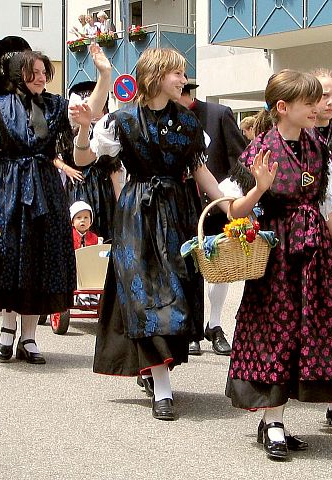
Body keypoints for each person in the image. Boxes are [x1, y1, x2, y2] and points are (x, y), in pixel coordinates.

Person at [71, 48, 236, 421]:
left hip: (178, 212)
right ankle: (163, 389)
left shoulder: (190, 123)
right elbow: (83, 160)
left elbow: (201, 173)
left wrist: (231, 210)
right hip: (137, 214)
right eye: (177, 73)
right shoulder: (122, 120)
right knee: (144, 297)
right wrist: (84, 127)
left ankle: (154, 369)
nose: (183, 79)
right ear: (156, 76)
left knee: (177, 296)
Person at [223, 70, 332, 459]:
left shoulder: (318, 147)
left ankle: (275, 419)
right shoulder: (260, 150)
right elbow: (232, 209)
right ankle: (272, 423)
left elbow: (327, 209)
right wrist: (260, 188)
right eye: (309, 102)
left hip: (313, 254)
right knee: (275, 333)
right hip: (277, 256)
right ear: (283, 108)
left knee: (305, 334)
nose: (318, 107)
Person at [0, 37, 110, 364]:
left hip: (45, 189)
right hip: (5, 189)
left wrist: (104, 76)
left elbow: (92, 112)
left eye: (44, 72)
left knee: (39, 262)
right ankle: (7, 329)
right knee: (9, 260)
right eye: (34, 72)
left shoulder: (57, 105)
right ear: (18, 74)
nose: (41, 77)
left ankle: (29, 337)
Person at [178, 77, 247, 356]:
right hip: (183, 206)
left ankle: (214, 324)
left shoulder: (218, 114)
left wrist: (235, 196)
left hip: (217, 203)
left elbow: (240, 158)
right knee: (188, 267)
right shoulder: (166, 119)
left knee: (220, 267)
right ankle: (192, 328)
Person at [64, 80, 122, 241]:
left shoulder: (108, 133)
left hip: (103, 189)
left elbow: (114, 170)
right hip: (77, 186)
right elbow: (52, 155)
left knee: (103, 233)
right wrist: (66, 169)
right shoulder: (68, 132)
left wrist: (120, 203)